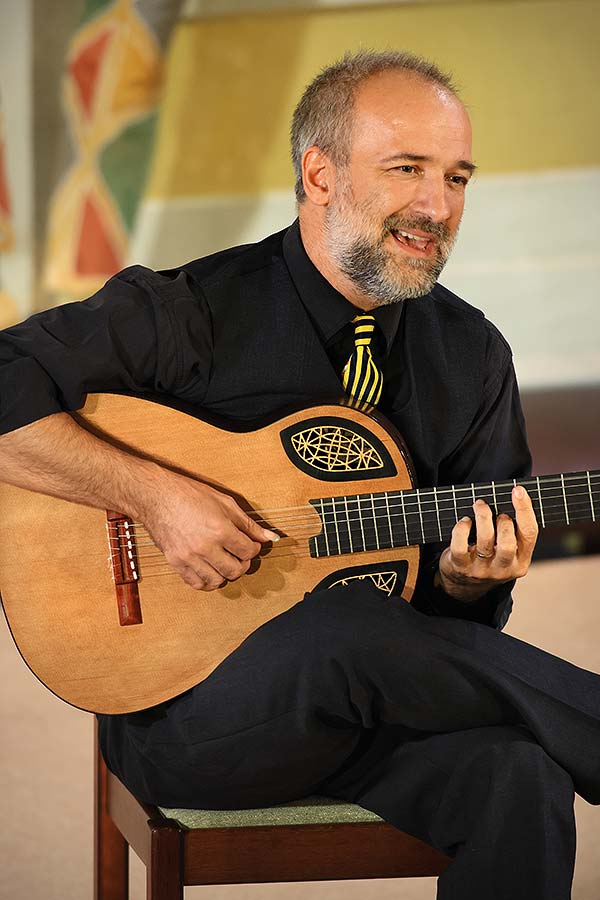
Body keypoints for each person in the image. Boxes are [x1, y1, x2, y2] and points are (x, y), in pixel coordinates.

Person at [0, 49, 597, 899]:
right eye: (407, 169)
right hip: (192, 721)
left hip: (372, 713)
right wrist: (155, 496)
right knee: (343, 621)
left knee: (523, 775)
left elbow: (451, 634)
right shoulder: (192, 311)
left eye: (458, 177)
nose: (437, 206)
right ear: (319, 173)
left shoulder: (472, 356)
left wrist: (469, 583)